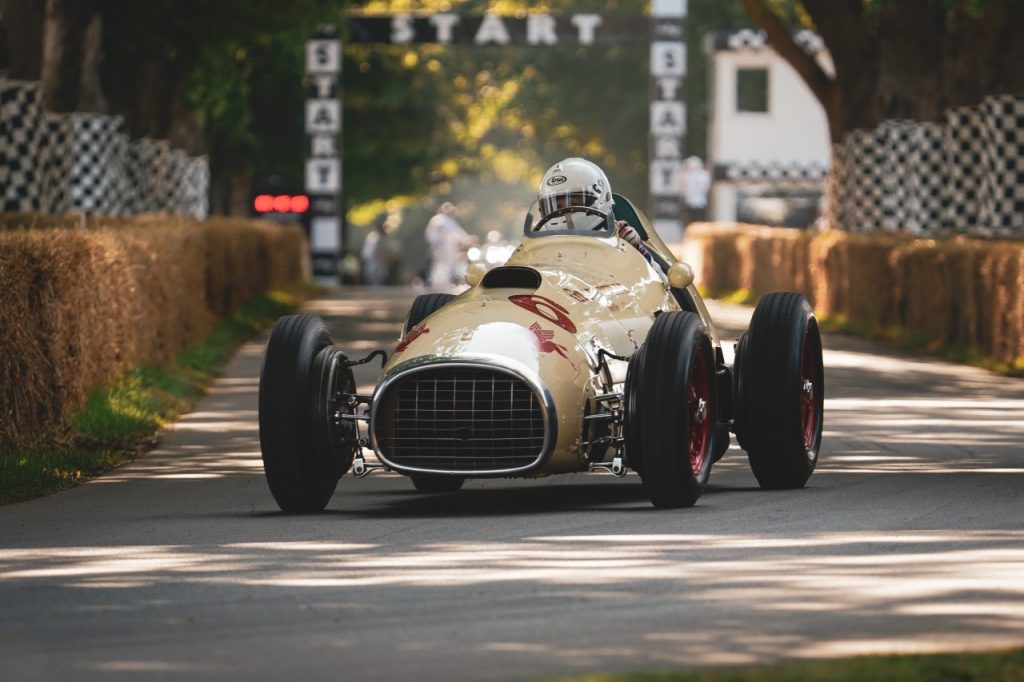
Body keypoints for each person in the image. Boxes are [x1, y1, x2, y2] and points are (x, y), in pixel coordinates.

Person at [537, 157, 650, 261]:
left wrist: (639, 251)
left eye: (574, 204)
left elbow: (656, 278)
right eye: (556, 208)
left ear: (599, 198)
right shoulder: (539, 246)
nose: (562, 212)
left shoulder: (622, 236)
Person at [424, 201, 475, 291]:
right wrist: (467, 240)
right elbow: (457, 232)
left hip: (438, 246)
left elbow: (429, 234)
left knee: (439, 264)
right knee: (446, 264)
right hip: (444, 246)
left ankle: (435, 282)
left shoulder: (435, 219)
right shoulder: (445, 220)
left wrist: (434, 242)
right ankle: (441, 283)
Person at [681, 156, 711, 225]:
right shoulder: (704, 175)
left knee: (694, 222)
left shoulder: (689, 175)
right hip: (697, 203)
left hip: (696, 202)